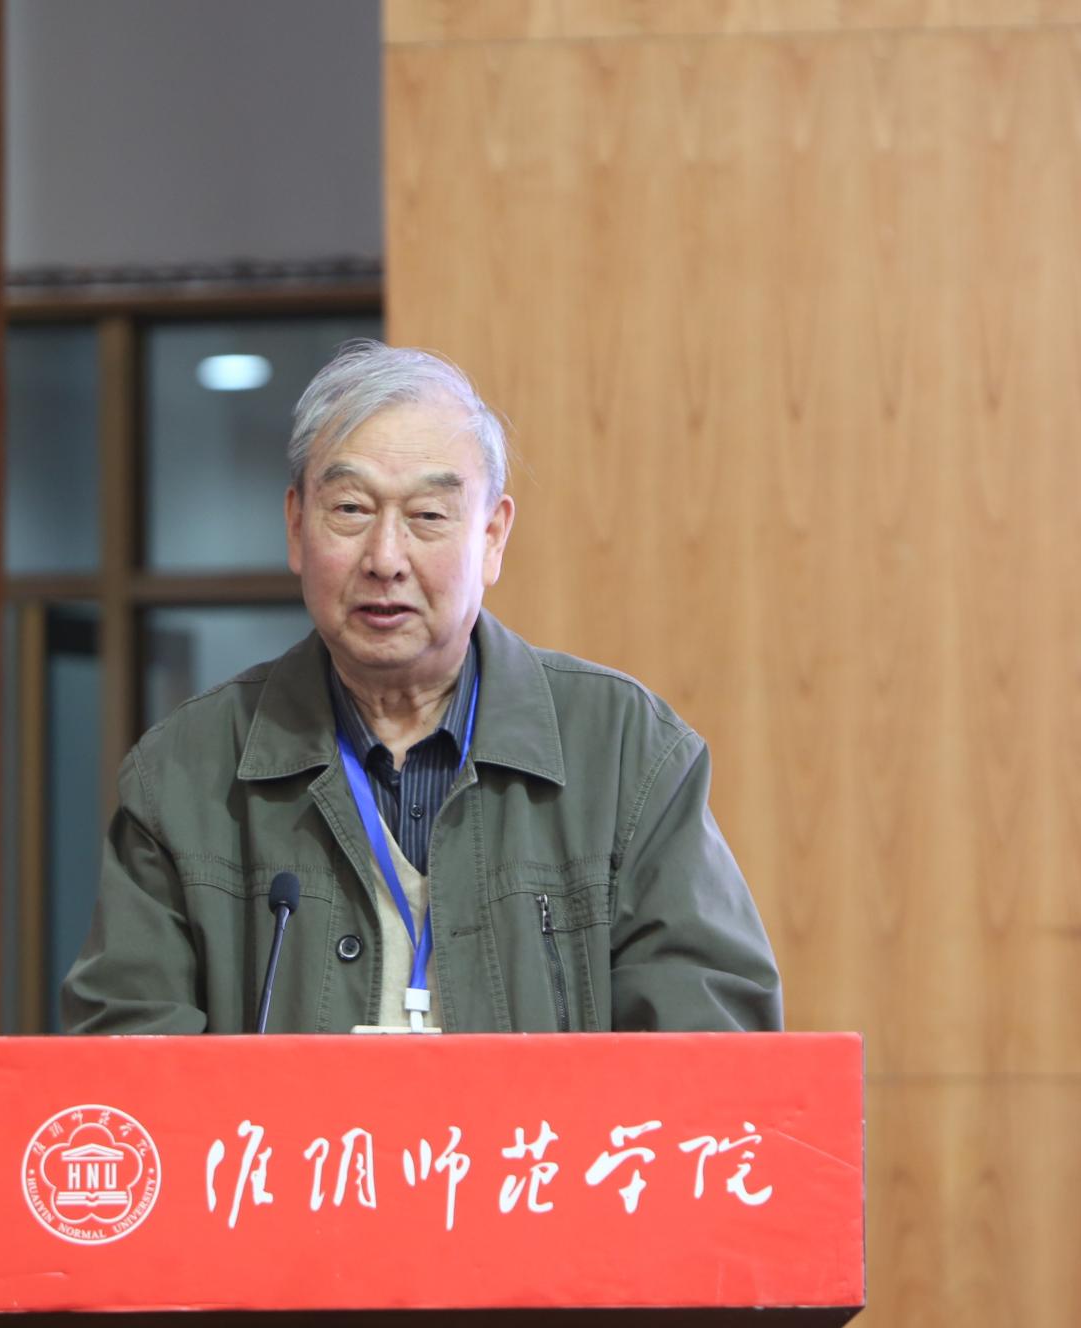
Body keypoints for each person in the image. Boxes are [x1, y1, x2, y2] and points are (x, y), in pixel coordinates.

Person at [61, 341, 781, 1034]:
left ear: (492, 537)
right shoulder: (182, 773)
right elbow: (124, 1066)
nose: (385, 558)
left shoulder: (629, 754)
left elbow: (713, 1052)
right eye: (350, 509)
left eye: (428, 516)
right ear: (295, 525)